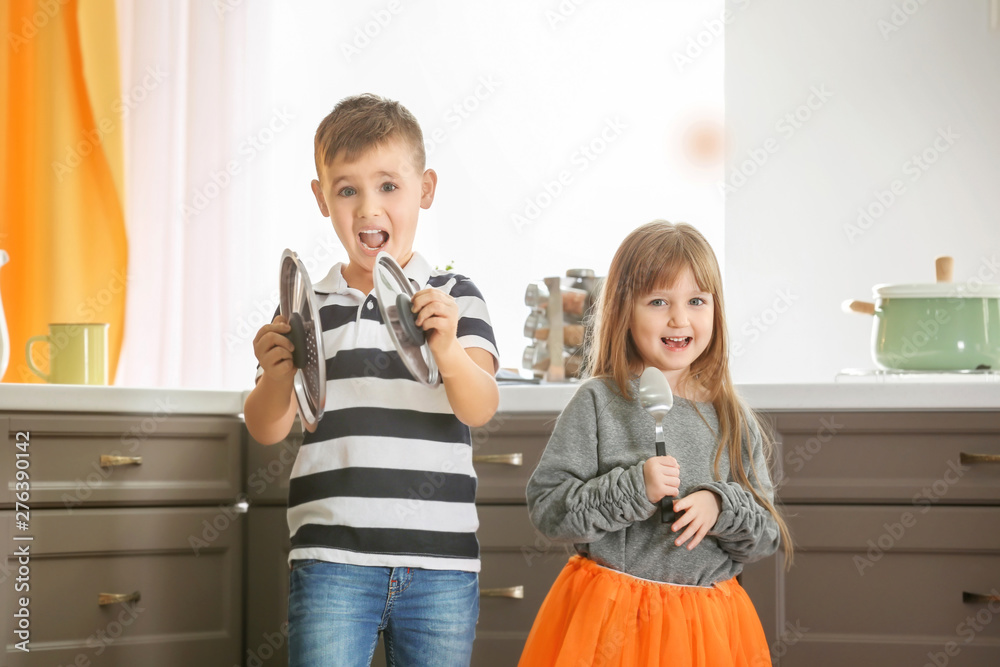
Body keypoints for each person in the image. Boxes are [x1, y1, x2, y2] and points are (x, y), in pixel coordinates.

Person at [244, 93, 500, 667]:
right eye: (347, 189)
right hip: (332, 559)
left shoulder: (456, 296)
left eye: (388, 186)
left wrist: (449, 350)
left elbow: (479, 407)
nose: (368, 208)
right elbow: (266, 428)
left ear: (425, 190)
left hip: (441, 567)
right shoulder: (309, 308)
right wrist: (275, 375)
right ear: (321, 198)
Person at [518, 221, 792, 666]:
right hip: (611, 625)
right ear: (625, 310)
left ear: (716, 311)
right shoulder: (599, 402)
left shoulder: (732, 418)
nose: (679, 319)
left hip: (709, 633)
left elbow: (764, 538)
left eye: (697, 301)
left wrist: (721, 507)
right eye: (659, 301)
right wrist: (634, 488)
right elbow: (551, 511)